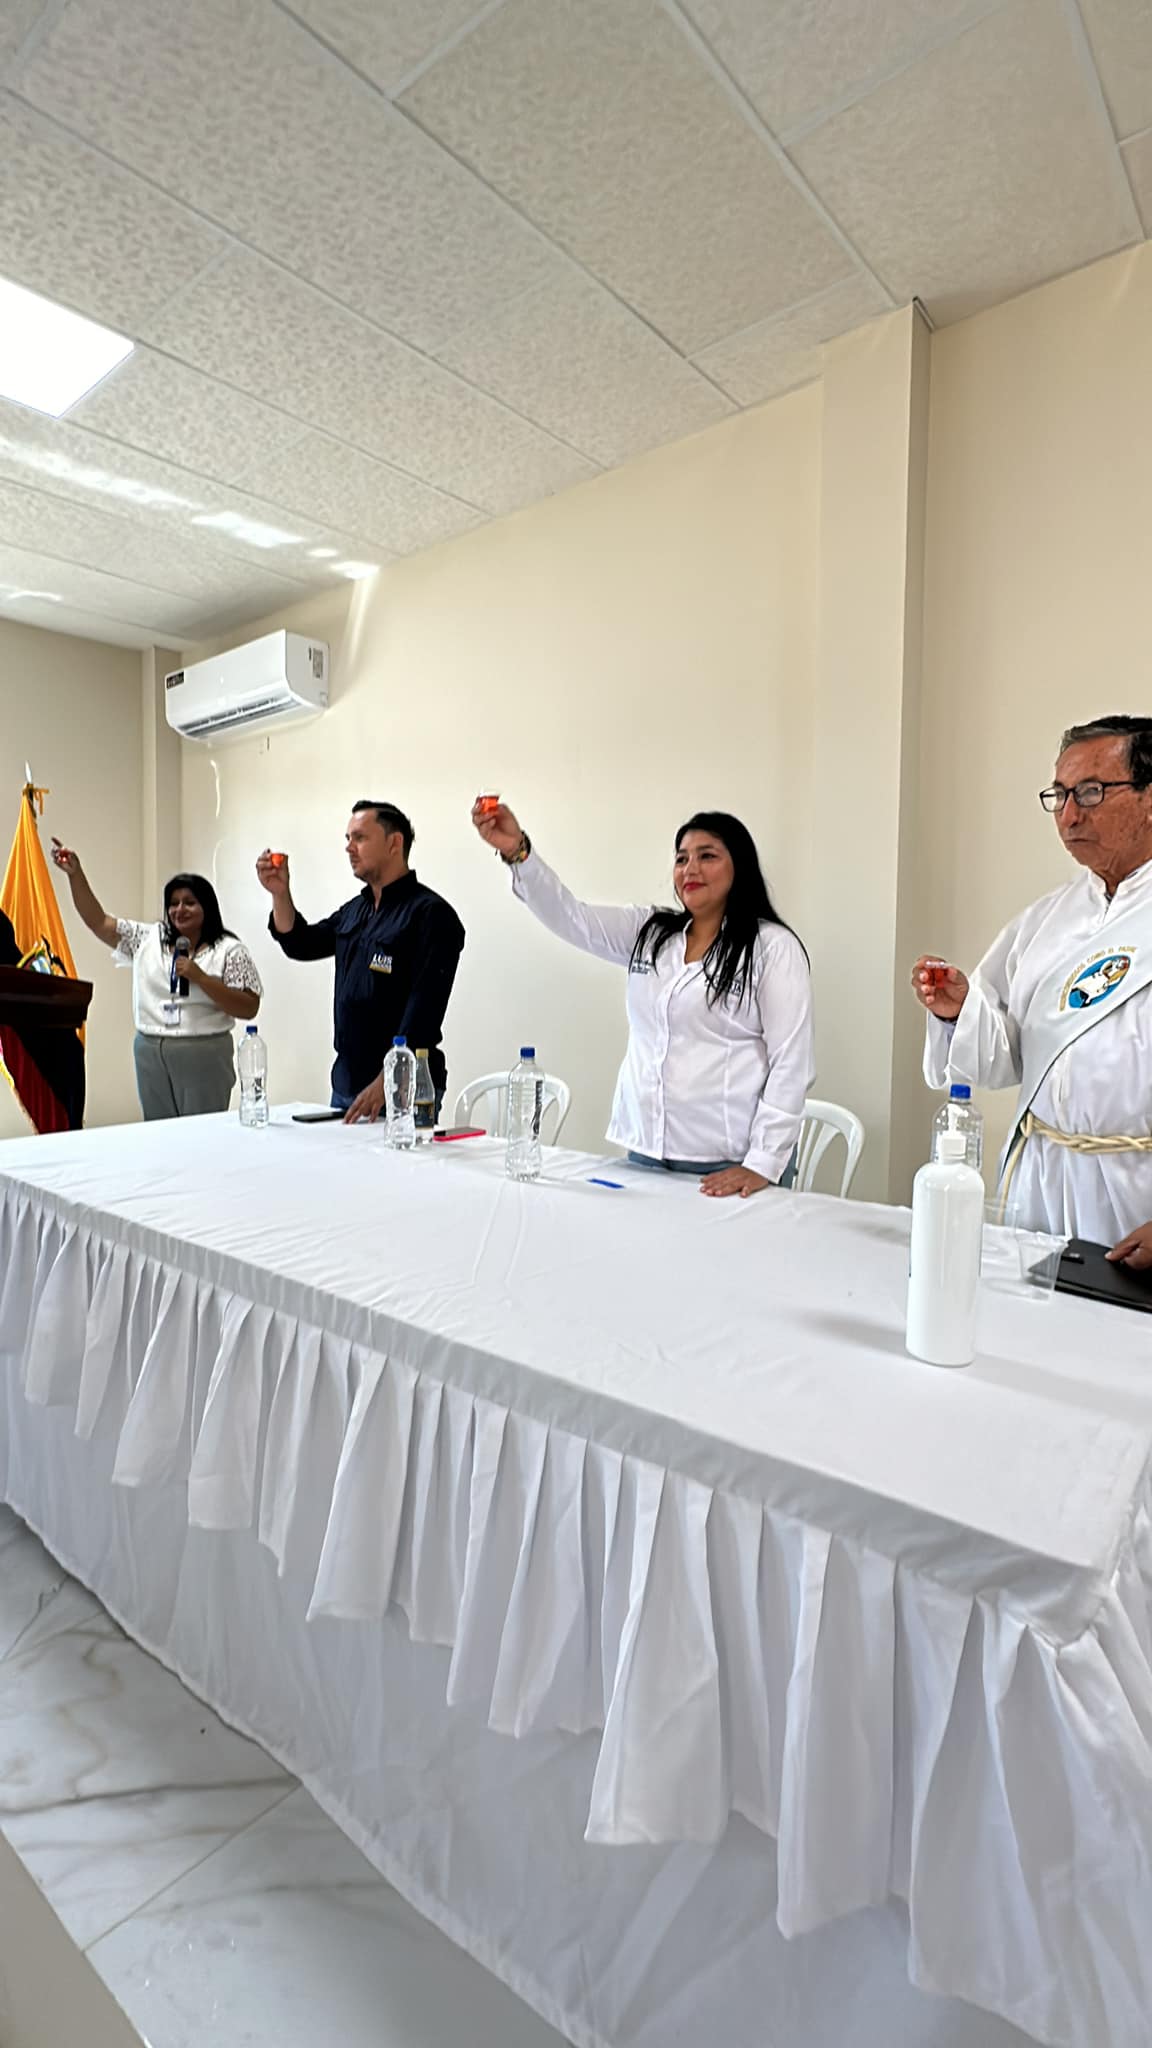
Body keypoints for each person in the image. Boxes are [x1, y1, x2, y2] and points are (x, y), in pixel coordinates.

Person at [472, 801, 814, 1197]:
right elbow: (573, 918)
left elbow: (791, 1062)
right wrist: (518, 852)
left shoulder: (772, 948)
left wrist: (762, 1164)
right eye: (682, 859)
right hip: (646, 1152)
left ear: (740, 867)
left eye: (707, 856)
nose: (690, 869)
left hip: (729, 1161)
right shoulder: (651, 933)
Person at [913, 715, 1152, 1270]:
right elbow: (1005, 1062)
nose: (1068, 815)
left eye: (1090, 792)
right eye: (1060, 795)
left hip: (1137, 1194)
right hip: (1041, 1177)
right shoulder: (1045, 921)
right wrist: (961, 1012)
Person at [258, 801, 465, 1123]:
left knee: (400, 1160)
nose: (349, 847)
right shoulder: (356, 909)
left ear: (394, 843)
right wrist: (280, 894)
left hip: (402, 1089)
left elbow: (424, 1011)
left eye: (360, 838)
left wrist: (389, 1080)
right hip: (347, 1084)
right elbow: (301, 943)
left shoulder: (431, 915)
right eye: (348, 838)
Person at [50, 843, 262, 1120]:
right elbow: (98, 921)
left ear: (207, 907)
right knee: (158, 1132)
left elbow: (248, 1007)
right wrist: (75, 874)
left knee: (200, 1133)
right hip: (149, 1049)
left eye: (189, 902)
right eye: (173, 903)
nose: (179, 909)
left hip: (202, 1052)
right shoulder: (149, 938)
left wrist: (200, 978)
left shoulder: (229, 950)